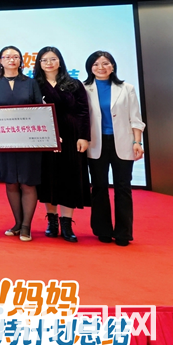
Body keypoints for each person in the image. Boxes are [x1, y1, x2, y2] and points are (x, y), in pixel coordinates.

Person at [0, 45, 44, 241]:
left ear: (21, 60)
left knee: (28, 183)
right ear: (0, 61)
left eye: (15, 56)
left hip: (29, 141)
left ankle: (26, 226)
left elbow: (40, 110)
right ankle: (17, 223)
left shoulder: (31, 83)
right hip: (4, 141)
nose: (11, 60)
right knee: (11, 182)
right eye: (7, 57)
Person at [83, 51, 144, 246]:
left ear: (113, 66)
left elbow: (135, 118)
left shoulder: (127, 88)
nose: (101, 67)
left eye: (105, 63)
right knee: (99, 187)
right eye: (96, 64)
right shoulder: (84, 89)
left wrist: (137, 142)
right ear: (90, 67)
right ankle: (103, 230)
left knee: (123, 187)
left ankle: (123, 233)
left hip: (123, 142)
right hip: (96, 144)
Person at [34, 47, 90, 243]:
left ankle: (67, 223)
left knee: (70, 178)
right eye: (44, 60)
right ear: (39, 63)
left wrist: (83, 137)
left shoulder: (73, 84)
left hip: (71, 136)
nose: (49, 63)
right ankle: (52, 221)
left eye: (53, 59)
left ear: (60, 61)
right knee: (48, 178)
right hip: (44, 137)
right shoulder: (34, 85)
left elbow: (84, 111)